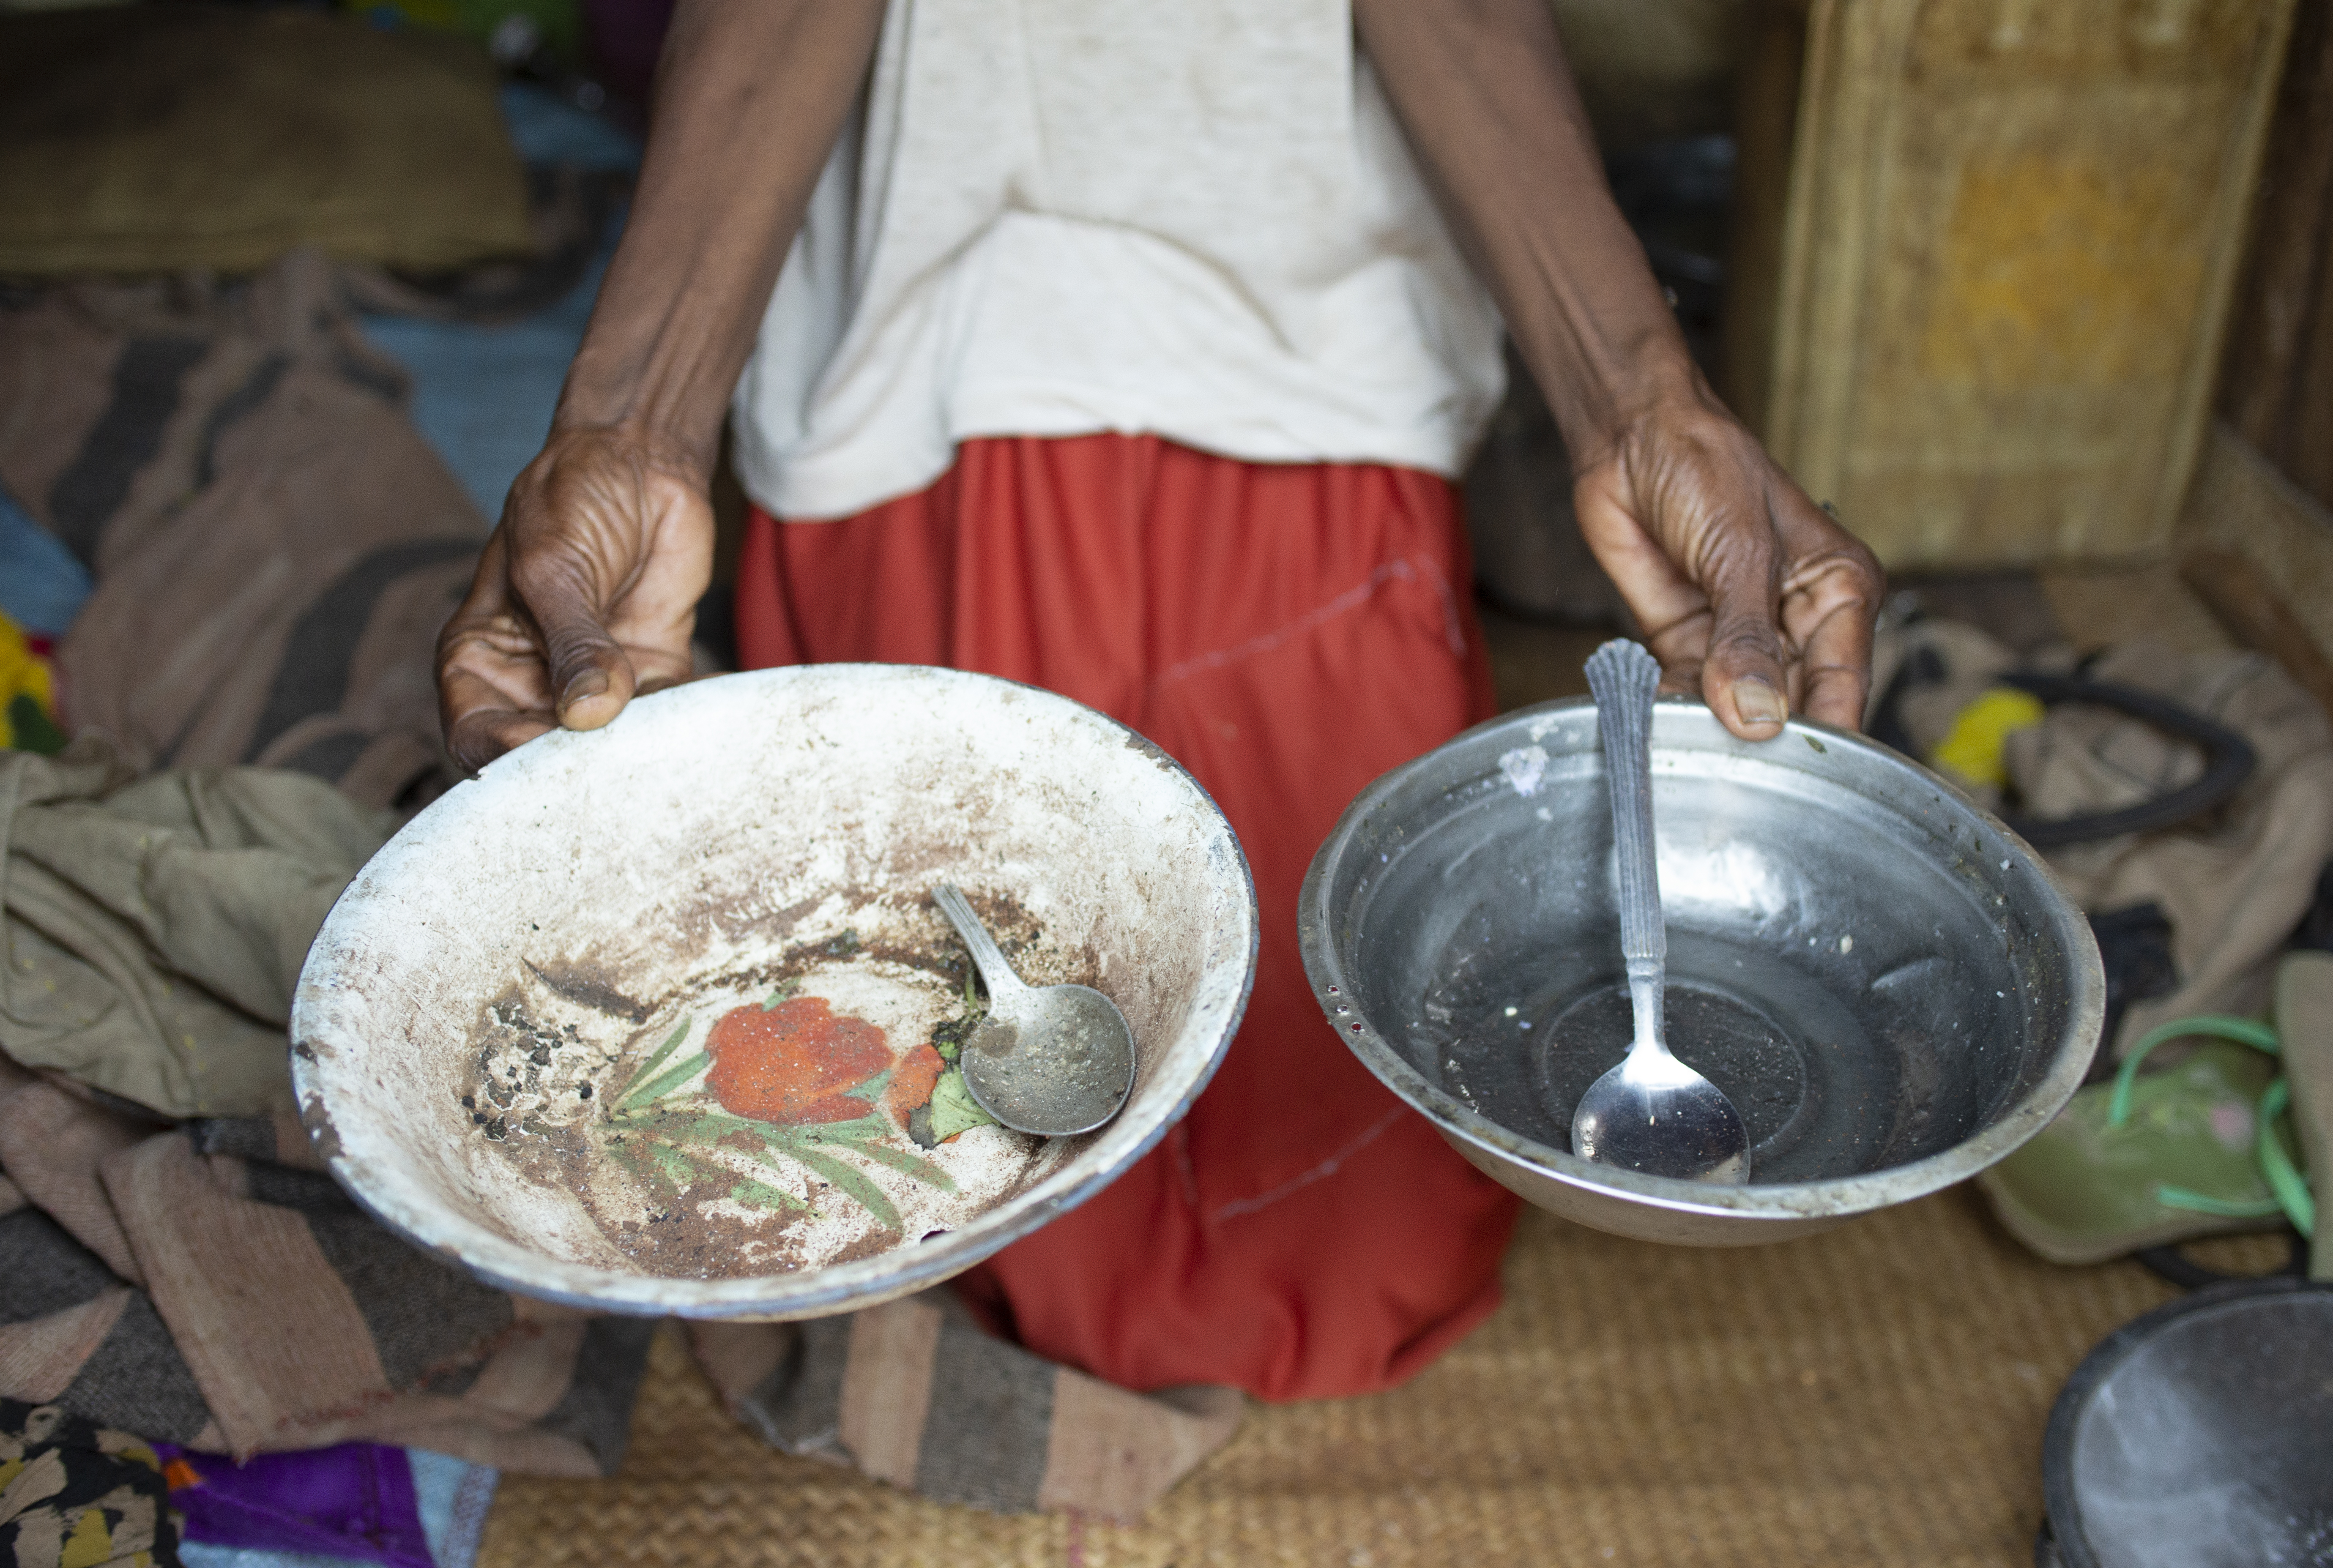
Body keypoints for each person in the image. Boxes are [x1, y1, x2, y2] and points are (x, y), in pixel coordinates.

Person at [435, 0, 1883, 1404]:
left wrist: (1640, 405)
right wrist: (636, 428)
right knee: (999, 1211)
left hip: (1303, 354)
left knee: (1352, 1252)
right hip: (932, 358)